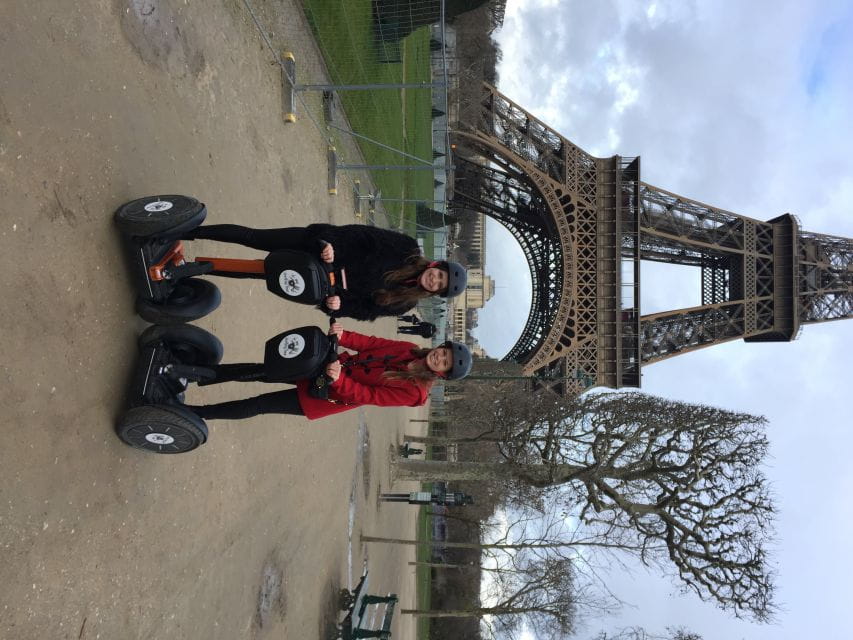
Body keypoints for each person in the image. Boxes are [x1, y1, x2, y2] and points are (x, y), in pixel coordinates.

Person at [183, 323, 472, 421]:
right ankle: (195, 374)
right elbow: (372, 343)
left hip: (326, 394)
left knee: (260, 404)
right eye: (443, 352)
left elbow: (369, 395)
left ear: (443, 374)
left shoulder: (414, 393)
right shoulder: (410, 349)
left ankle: (195, 413)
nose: (439, 358)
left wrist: (339, 379)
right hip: (328, 364)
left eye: (444, 363)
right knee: (260, 369)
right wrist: (345, 335)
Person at [183, 223, 467, 321]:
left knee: (256, 271)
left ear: (436, 292)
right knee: (253, 237)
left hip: (315, 279)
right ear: (436, 266)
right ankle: (191, 231)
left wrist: (337, 306)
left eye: (439, 285)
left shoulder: (405, 303)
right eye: (439, 274)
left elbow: (365, 310)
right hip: (317, 246)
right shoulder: (406, 248)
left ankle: (188, 268)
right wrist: (333, 245)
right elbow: (363, 236)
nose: (434, 280)